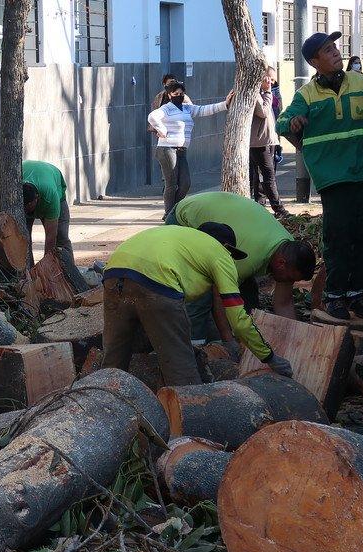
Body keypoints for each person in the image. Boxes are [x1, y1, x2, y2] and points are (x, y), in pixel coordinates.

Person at [277, 31, 363, 325]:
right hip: (332, 178)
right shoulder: (306, 95)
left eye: (335, 47)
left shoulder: (360, 83)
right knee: (338, 236)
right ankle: (335, 295)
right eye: (327, 50)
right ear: (314, 62)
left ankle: (358, 294)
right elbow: (283, 122)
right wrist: (294, 123)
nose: (336, 52)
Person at [102, 223, 293, 387]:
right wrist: (269, 357)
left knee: (113, 360)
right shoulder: (220, 254)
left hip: (113, 273)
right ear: (226, 247)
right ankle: (189, 421)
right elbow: (239, 320)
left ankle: (100, 406)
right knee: (182, 372)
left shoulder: (179, 237)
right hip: (158, 283)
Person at [165, 192, 318, 346]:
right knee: (201, 293)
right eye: (290, 278)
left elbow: (284, 303)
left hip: (223, 218)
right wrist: (229, 341)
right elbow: (219, 295)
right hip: (184, 219)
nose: (289, 282)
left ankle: (242, 337)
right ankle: (193, 346)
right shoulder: (248, 261)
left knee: (248, 293)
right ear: (281, 263)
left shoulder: (290, 250)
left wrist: (295, 341)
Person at [147, 81, 232, 218]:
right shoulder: (167, 108)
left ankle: (174, 210)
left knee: (185, 183)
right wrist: (161, 129)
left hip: (181, 150)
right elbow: (152, 117)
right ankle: (169, 213)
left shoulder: (187, 108)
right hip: (167, 149)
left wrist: (225, 104)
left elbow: (204, 110)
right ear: (169, 95)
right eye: (176, 94)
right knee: (171, 183)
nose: (179, 96)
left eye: (181, 94)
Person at [22, 160, 91, 292]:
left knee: (61, 237)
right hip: (28, 174)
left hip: (54, 183)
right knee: (24, 239)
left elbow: (50, 238)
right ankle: (27, 278)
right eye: (25, 209)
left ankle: (70, 276)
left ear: (37, 198)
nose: (27, 212)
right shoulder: (14, 192)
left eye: (30, 208)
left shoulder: (50, 196)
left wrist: (46, 272)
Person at [249, 72, 287, 216]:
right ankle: (277, 208)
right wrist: (267, 91)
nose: (269, 81)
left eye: (271, 79)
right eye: (266, 79)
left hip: (269, 140)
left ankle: (261, 204)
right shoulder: (256, 94)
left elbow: (275, 111)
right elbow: (263, 112)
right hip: (259, 142)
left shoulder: (267, 93)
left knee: (264, 175)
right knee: (267, 174)